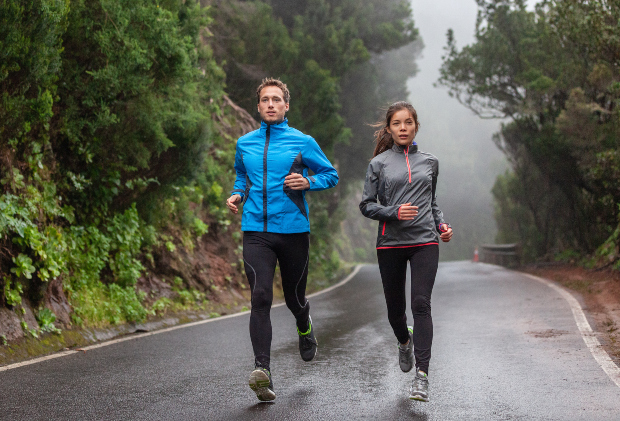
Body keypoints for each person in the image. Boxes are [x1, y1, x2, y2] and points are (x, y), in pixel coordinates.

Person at [226, 77, 339, 402]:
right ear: (258, 106)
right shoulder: (244, 142)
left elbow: (330, 174)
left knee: (293, 297)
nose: (271, 104)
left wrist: (307, 181)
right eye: (265, 100)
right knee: (260, 297)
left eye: (277, 99)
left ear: (286, 105)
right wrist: (237, 194)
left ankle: (304, 323)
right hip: (256, 232)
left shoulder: (302, 141)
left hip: (293, 231)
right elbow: (242, 175)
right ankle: (263, 371)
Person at [359, 101, 453, 402]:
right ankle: (404, 340)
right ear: (389, 128)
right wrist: (394, 212)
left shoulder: (430, 162)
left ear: (416, 127)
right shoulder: (379, 164)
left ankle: (422, 378)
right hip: (391, 243)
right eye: (397, 123)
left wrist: (441, 226)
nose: (403, 128)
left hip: (425, 240)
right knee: (395, 312)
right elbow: (366, 205)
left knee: (421, 304)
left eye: (408, 122)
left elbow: (431, 200)